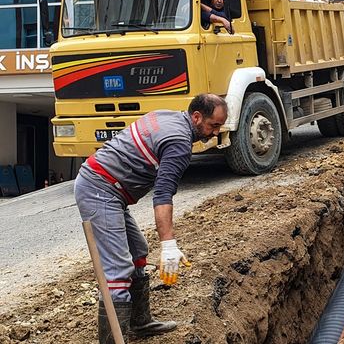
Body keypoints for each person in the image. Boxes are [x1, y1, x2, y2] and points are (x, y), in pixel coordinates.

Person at [74, 94, 228, 343]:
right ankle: (113, 339)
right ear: (197, 117)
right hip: (100, 189)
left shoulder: (167, 116)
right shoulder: (179, 143)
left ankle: (140, 322)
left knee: (138, 251)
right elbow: (163, 194)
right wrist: (169, 245)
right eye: (214, 125)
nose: (215, 133)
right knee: (117, 270)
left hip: (108, 188)